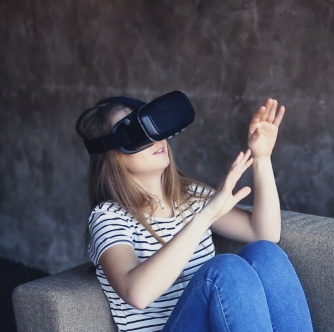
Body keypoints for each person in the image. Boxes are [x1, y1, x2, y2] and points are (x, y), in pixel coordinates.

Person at [75, 95, 313, 332]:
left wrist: (262, 157)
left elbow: (266, 233)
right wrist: (205, 217)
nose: (155, 139)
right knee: (225, 270)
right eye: (138, 134)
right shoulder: (108, 217)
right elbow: (137, 293)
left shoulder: (191, 196)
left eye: (153, 127)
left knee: (265, 252)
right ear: (111, 155)